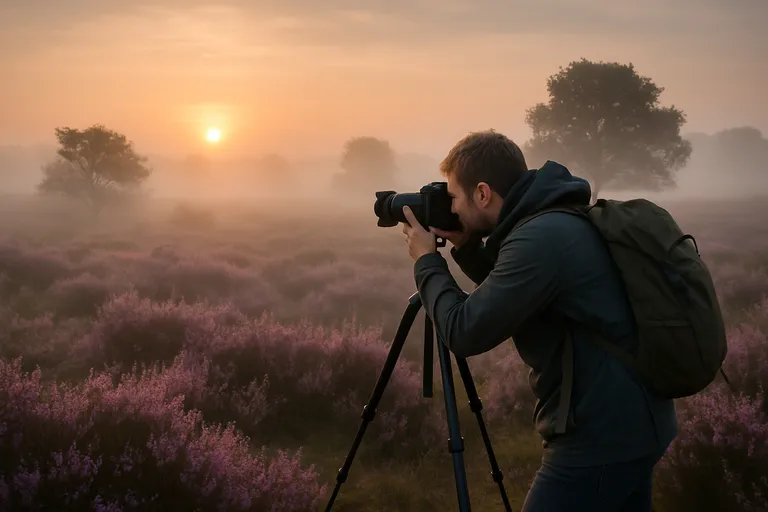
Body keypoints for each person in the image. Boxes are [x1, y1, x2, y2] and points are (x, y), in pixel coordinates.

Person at [400, 129, 677, 511]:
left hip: (600, 435)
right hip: (635, 420)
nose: (453, 209)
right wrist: (466, 248)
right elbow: (522, 293)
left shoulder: (538, 239)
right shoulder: (552, 219)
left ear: (482, 193)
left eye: (454, 197)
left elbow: (462, 332)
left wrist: (427, 262)